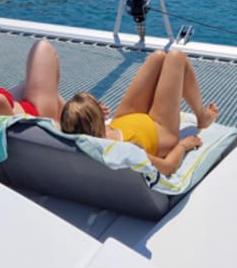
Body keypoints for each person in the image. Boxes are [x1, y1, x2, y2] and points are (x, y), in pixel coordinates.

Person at [59, 49, 218, 176]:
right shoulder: (123, 151)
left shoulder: (77, 134)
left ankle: (199, 114)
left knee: (158, 57)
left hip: (123, 121)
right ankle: (202, 117)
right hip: (159, 130)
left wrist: (97, 117)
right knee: (177, 57)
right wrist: (183, 145)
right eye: (96, 106)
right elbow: (167, 167)